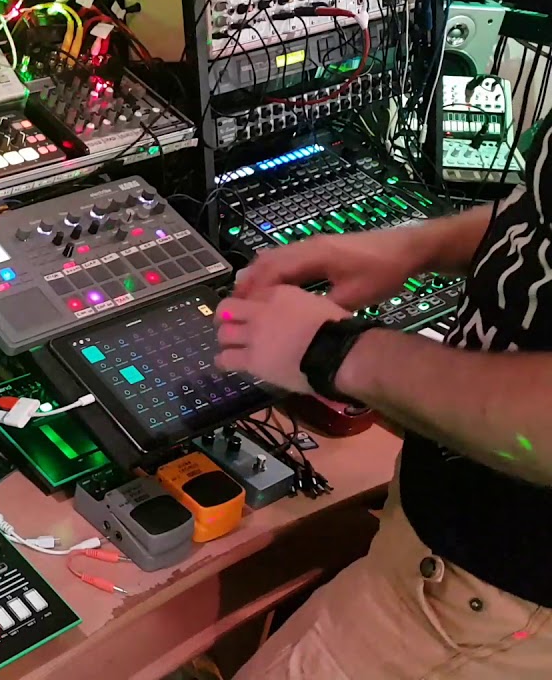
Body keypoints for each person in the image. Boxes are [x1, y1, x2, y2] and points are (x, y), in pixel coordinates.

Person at [216, 128, 552, 678]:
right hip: (438, 556)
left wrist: (334, 352)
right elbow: (536, 215)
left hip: (492, 608)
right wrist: (414, 246)